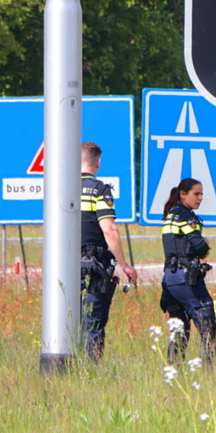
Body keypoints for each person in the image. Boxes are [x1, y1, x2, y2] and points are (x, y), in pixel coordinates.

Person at [80, 141, 138, 360]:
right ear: (98, 162)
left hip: (64, 263)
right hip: (94, 263)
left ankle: (66, 366)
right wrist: (124, 264)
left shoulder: (62, 187)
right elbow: (109, 229)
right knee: (93, 320)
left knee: (66, 317)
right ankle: (90, 368)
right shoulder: (99, 189)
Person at [160, 178, 216, 363]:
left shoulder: (171, 214)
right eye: (196, 194)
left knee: (179, 327)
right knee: (207, 321)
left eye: (202, 194)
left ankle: (173, 369)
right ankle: (212, 369)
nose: (200, 198)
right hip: (185, 278)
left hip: (170, 280)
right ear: (183, 194)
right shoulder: (187, 216)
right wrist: (206, 246)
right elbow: (200, 247)